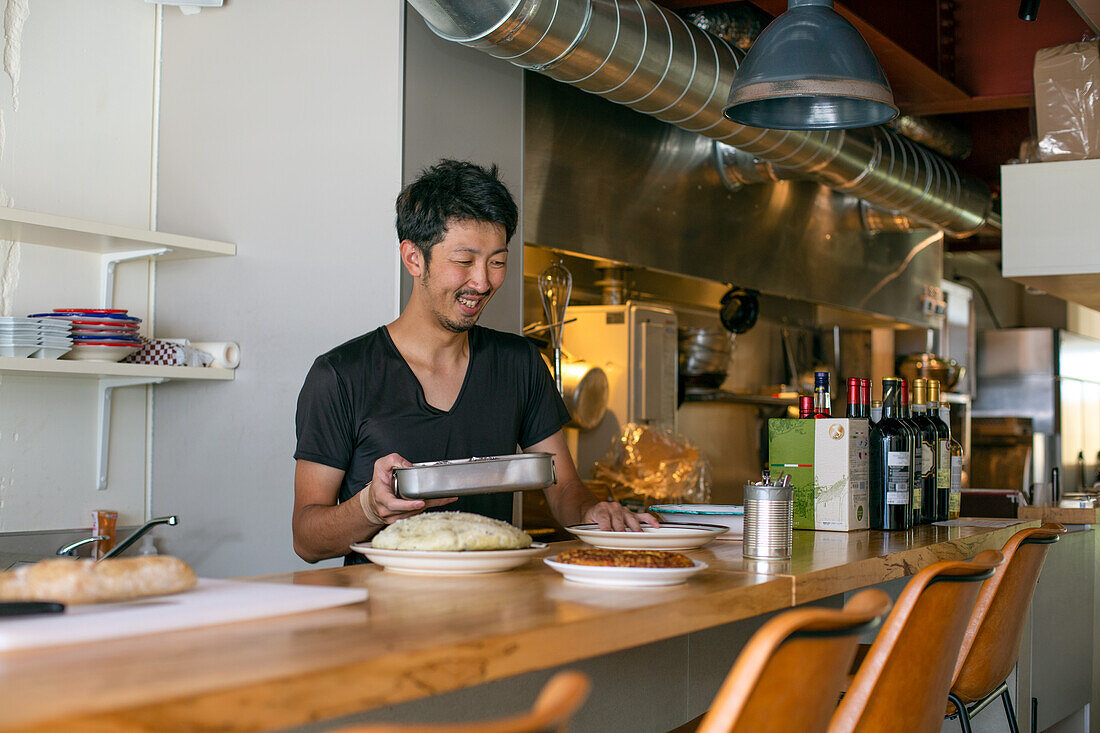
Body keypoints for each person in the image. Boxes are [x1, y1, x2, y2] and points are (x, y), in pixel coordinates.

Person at [292, 159, 654, 564]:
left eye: (497, 262)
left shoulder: (520, 365)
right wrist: (369, 509)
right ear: (414, 258)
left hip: (496, 612)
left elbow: (564, 488)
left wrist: (591, 512)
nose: (482, 282)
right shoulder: (340, 376)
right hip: (384, 620)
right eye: (464, 261)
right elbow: (307, 539)